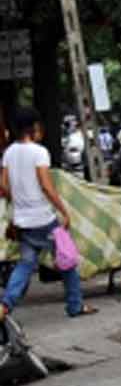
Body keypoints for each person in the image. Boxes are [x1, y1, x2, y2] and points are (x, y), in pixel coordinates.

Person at [0, 108, 92, 321]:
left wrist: (19, 198)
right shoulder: (39, 152)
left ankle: (5, 305)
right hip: (43, 218)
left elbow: (3, 185)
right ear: (34, 127)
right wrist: (63, 210)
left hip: (22, 221)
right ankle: (75, 305)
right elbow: (47, 186)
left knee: (25, 263)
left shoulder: (9, 152)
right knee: (68, 260)